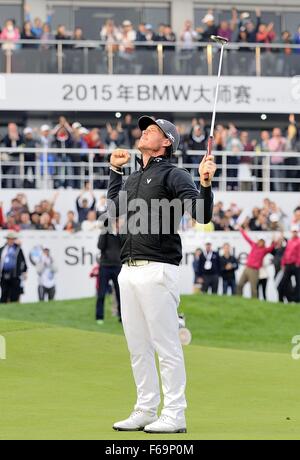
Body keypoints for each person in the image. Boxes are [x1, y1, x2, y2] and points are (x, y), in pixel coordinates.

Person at [108, 115, 216, 433]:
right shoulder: (133, 178)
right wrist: (115, 172)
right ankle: (144, 408)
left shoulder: (175, 173)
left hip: (159, 268)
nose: (144, 131)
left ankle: (174, 414)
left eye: (152, 130)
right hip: (128, 270)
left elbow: (202, 213)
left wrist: (206, 184)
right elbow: (114, 209)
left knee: (166, 346)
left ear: (166, 141)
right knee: (137, 347)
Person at [237, 227, 276, 298]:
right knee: (240, 284)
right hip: (247, 268)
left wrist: (273, 241)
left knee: (253, 289)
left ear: (264, 242)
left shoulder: (264, 250)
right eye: (260, 240)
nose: (260, 242)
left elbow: (272, 247)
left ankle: (254, 303)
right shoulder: (254, 245)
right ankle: (239, 299)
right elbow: (247, 238)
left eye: (262, 241)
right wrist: (241, 230)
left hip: (254, 271)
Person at [96, 219, 122, 324]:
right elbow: (100, 246)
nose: (116, 224)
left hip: (117, 266)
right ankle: (99, 317)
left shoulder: (121, 233)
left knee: (120, 294)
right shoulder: (105, 233)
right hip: (105, 266)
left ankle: (122, 317)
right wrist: (105, 231)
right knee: (101, 293)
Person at [0, 232, 27, 303]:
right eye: (9, 239)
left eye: (12, 239)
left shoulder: (18, 249)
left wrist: (24, 271)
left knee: (14, 294)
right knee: (4, 292)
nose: (11, 241)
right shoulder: (2, 249)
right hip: (4, 274)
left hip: (15, 275)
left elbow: (23, 261)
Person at [278, 226, 300, 303]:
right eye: (293, 231)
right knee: (283, 283)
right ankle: (281, 299)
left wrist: (298, 263)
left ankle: (297, 300)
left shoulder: (299, 241)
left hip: (296, 266)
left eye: (296, 231)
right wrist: (283, 263)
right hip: (288, 265)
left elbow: (299, 253)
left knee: (298, 284)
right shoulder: (290, 241)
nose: (294, 233)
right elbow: (286, 253)